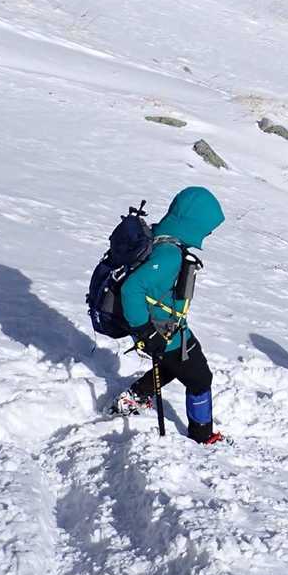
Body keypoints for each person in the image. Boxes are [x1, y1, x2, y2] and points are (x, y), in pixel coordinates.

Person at [111, 186, 225, 444]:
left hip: (169, 328)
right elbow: (131, 288)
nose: (209, 232)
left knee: (175, 365)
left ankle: (135, 396)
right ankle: (203, 436)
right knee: (200, 378)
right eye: (207, 226)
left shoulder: (162, 237)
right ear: (193, 221)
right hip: (163, 331)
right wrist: (146, 332)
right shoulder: (169, 254)